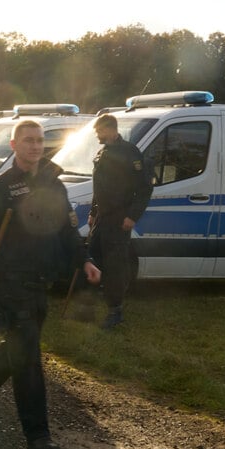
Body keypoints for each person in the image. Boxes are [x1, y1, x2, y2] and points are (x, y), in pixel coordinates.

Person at [0, 119, 100, 449]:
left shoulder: (55, 184)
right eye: (28, 141)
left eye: (39, 141)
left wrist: (84, 260)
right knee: (29, 359)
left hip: (42, 282)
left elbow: (68, 230)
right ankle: (38, 435)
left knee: (18, 348)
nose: (35, 146)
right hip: (10, 283)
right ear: (14, 145)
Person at [87, 113, 153, 328]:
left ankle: (115, 311)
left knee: (115, 266)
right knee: (92, 258)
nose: (97, 134)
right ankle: (87, 305)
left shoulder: (130, 153)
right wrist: (93, 211)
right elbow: (99, 188)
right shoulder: (103, 152)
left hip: (119, 219)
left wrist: (133, 216)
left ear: (110, 129)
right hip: (102, 218)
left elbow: (144, 188)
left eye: (99, 131)